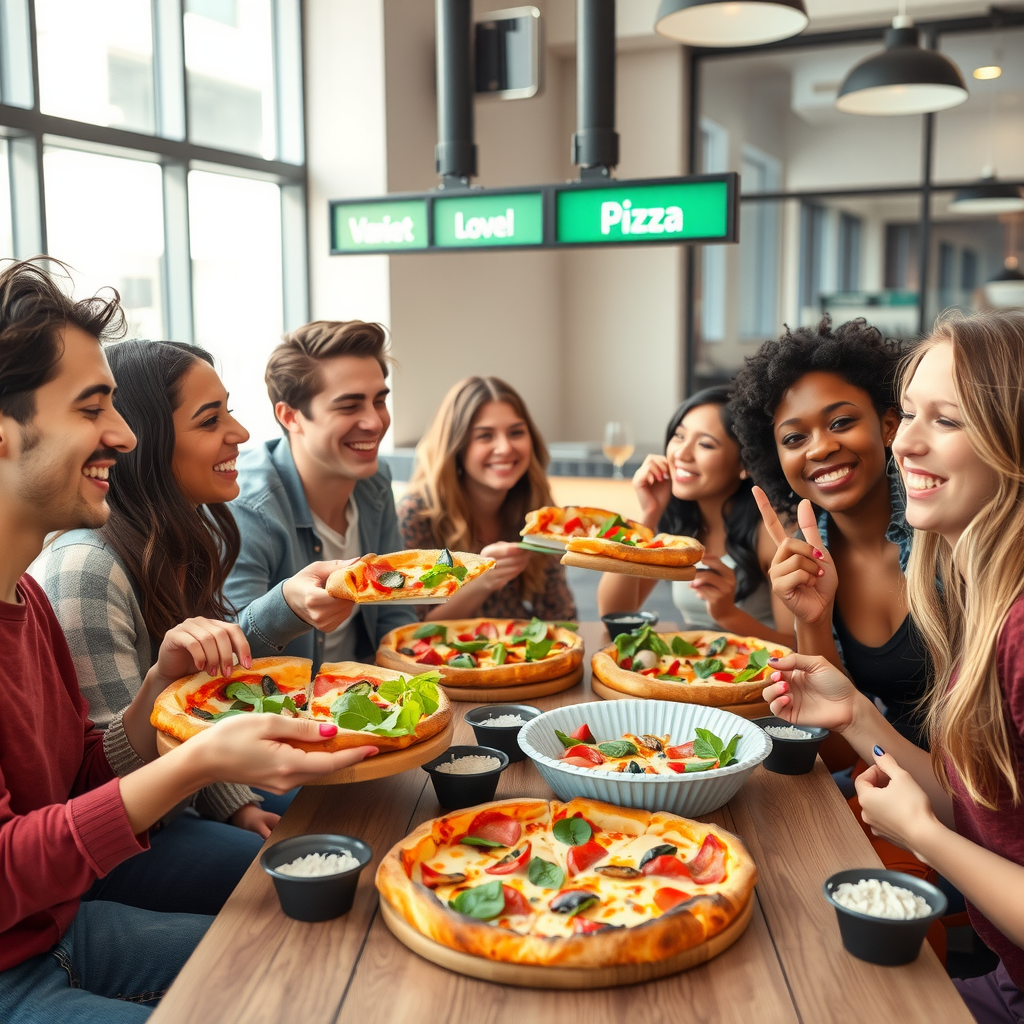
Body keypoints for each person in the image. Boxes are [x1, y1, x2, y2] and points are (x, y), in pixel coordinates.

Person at [0, 258, 375, 1022]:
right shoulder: (73, 569)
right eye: (91, 409)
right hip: (25, 957)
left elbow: (78, 778)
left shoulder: (27, 595)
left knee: (323, 973)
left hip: (60, 927)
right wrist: (199, 761)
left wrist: (156, 690)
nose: (123, 435)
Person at [762, 309, 1024, 1023]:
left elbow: (954, 816)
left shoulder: (1001, 608)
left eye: (946, 420)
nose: (906, 440)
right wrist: (852, 710)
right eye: (909, 415)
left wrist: (924, 836)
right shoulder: (987, 588)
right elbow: (976, 800)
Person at [30, 340, 278, 910]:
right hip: (118, 846)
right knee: (285, 866)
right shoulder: (86, 567)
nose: (239, 433)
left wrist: (234, 803)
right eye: (210, 419)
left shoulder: (173, 542)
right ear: (146, 443)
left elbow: (195, 714)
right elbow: (116, 786)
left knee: (328, 813)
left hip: (176, 807)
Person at [730, 317, 927, 746]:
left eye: (840, 422)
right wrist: (813, 620)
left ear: (889, 425)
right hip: (889, 777)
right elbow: (835, 749)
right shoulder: (805, 562)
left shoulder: (949, 532)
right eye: (794, 438)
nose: (819, 447)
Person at [225, 320, 415, 670]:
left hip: (367, 693)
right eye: (349, 406)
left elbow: (394, 610)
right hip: (285, 713)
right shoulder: (247, 506)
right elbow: (233, 653)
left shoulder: (374, 480)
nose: (374, 422)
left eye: (379, 401)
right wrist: (287, 608)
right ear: (290, 416)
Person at [596, 386, 794, 646]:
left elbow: (800, 648)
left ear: (745, 465)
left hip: (764, 679)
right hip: (699, 674)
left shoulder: (773, 529)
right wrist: (648, 515)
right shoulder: (682, 526)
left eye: (705, 444)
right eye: (679, 437)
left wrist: (728, 615)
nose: (681, 454)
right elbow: (615, 614)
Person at [397, 376, 577, 623]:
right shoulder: (417, 515)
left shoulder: (538, 510)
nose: (504, 448)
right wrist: (482, 580)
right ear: (457, 446)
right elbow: (410, 629)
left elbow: (563, 617)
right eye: (485, 436)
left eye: (516, 432)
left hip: (519, 658)